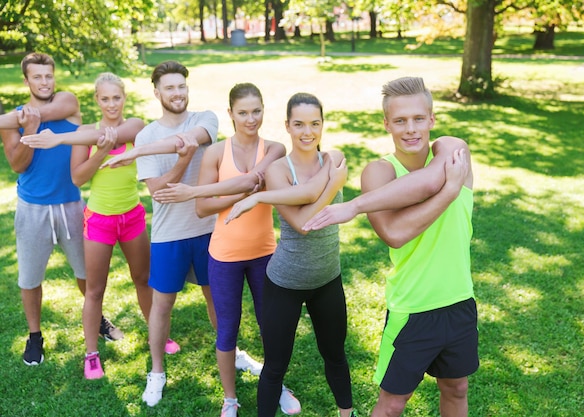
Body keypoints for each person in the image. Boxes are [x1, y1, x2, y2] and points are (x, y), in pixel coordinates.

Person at [303, 76, 478, 417]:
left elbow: (428, 180)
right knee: (393, 404)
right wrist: (450, 190)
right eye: (399, 121)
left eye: (417, 119)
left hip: (459, 300)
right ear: (386, 124)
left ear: (432, 119)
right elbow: (396, 234)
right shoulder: (379, 174)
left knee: (457, 388)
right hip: (412, 307)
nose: (410, 129)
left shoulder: (454, 149)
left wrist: (355, 206)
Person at [156, 82, 300, 416]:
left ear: (264, 110)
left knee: (271, 325)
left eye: (257, 111)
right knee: (227, 329)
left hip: (265, 254)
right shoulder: (216, 153)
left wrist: (195, 191)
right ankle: (230, 399)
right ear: (231, 114)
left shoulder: (275, 149)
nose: (251, 119)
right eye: (243, 112)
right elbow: (204, 209)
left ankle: (275, 385)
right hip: (225, 256)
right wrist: (218, 195)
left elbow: (251, 182)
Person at [226, 92, 357, 417]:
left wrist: (260, 199)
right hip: (285, 282)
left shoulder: (333, 156)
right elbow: (302, 223)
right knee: (275, 366)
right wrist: (333, 184)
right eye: (298, 124)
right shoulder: (278, 170)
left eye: (314, 123)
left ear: (323, 124)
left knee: (335, 355)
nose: (307, 132)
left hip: (328, 278)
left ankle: (348, 413)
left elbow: (311, 194)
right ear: (287, 125)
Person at [22, 72, 156, 379]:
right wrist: (102, 152)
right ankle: (91, 354)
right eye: (105, 98)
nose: (112, 104)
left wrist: (59, 138)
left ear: (124, 98)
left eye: (117, 98)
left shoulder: (134, 126)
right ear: (97, 100)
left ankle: (157, 334)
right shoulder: (86, 132)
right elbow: (78, 178)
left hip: (132, 216)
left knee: (143, 278)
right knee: (95, 290)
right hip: (99, 220)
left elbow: (125, 133)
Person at [0, 53, 122, 367]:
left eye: (48, 76)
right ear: (25, 81)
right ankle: (35, 336)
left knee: (86, 273)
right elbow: (17, 165)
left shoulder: (68, 101)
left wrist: (24, 119)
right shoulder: (16, 121)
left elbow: (54, 108)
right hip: (33, 209)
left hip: (71, 204)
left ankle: (98, 320)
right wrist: (30, 127)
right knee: (30, 278)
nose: (44, 82)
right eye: (37, 77)